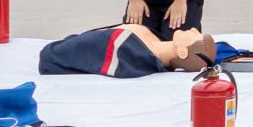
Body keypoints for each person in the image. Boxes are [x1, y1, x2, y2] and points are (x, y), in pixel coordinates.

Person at [39, 25, 217, 76]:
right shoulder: (149, 41)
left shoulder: (127, 49)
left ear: (182, 52)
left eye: (196, 36)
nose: (194, 29)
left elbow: (50, 56)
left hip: (57, 53)